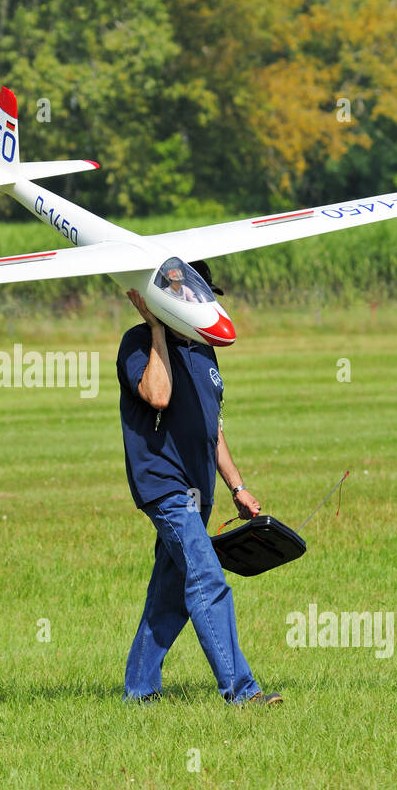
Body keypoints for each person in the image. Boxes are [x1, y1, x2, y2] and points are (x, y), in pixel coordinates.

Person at [116, 267, 281, 706]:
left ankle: (139, 692)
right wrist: (155, 330)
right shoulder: (137, 344)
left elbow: (215, 430)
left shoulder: (207, 354)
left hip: (199, 493)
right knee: (207, 581)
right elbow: (158, 395)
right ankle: (242, 692)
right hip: (166, 489)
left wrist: (237, 486)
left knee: (170, 597)